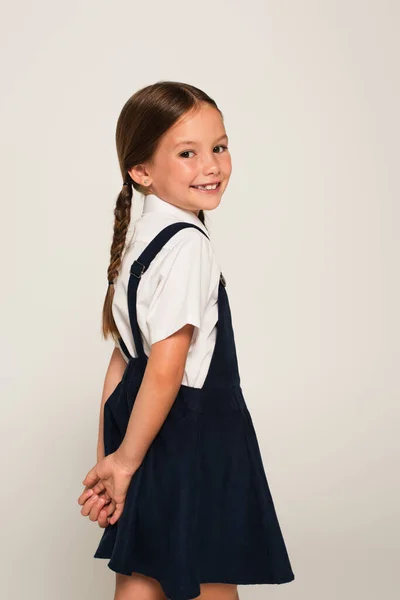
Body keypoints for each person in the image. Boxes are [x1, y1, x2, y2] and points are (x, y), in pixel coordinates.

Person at [77, 81, 295, 600]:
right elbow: (164, 367)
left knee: (141, 576)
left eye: (219, 147)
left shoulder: (140, 242)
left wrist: (113, 457)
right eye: (188, 153)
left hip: (142, 429)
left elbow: (122, 362)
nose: (212, 166)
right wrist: (123, 463)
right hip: (193, 436)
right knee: (209, 577)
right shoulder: (189, 248)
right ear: (142, 171)